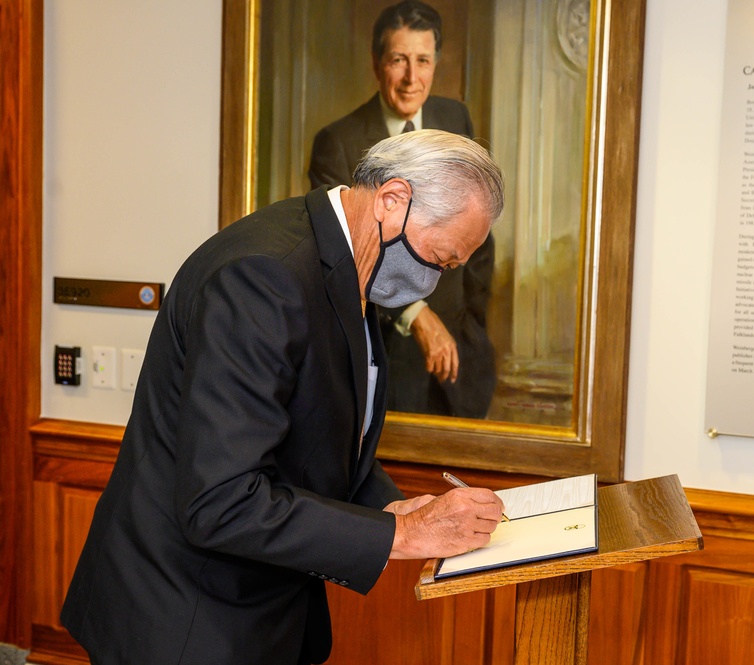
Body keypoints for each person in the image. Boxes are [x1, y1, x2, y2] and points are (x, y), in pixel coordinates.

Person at [60, 130, 506, 665]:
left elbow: (319, 436)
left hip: (266, 612)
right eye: (440, 259)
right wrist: (401, 534)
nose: (434, 281)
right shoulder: (264, 276)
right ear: (392, 200)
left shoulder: (345, 263)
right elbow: (221, 502)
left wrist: (393, 505)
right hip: (188, 621)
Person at [309, 0, 497, 418]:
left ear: (435, 63)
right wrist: (417, 315)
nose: (412, 77)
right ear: (377, 65)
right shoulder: (337, 142)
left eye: (423, 60)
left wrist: (473, 323)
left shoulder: (455, 118)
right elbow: (344, 251)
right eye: (399, 60)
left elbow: (479, 232)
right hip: (388, 352)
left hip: (463, 349)